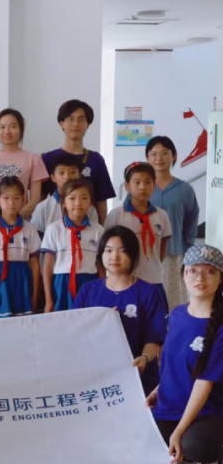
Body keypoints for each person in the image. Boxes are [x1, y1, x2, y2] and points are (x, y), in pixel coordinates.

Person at [140, 244, 223, 464]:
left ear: (220, 279)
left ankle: (212, 455)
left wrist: (178, 431)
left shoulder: (220, 326)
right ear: (184, 275)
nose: (200, 277)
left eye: (210, 271)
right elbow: (172, 364)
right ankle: (184, 448)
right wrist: (158, 391)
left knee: (197, 446)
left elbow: (204, 383)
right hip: (170, 406)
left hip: (206, 410)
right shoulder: (176, 314)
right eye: (193, 270)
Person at [74, 226, 167, 394]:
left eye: (122, 251)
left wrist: (144, 358)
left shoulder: (149, 292)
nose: (114, 257)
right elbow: (75, 330)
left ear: (133, 255)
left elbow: (154, 339)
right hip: (96, 376)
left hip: (138, 377)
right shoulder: (88, 290)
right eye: (108, 250)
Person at [104, 162, 171, 305]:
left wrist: (152, 264)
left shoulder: (162, 215)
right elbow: (106, 248)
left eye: (147, 182)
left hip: (154, 279)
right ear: (127, 185)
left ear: (154, 185)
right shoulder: (116, 215)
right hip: (124, 280)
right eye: (137, 182)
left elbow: (162, 247)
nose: (142, 187)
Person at [147, 135, 200, 308]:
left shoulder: (184, 189)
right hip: (146, 253)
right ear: (147, 158)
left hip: (175, 252)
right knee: (147, 298)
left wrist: (188, 247)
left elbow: (192, 217)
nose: (159, 158)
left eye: (164, 153)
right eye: (153, 154)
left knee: (175, 298)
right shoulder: (142, 187)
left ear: (174, 156)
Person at [42, 100, 115, 223]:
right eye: (71, 119)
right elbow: (41, 196)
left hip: (88, 224)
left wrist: (102, 227)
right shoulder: (48, 159)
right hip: (54, 224)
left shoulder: (96, 159)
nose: (76, 124)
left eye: (81, 119)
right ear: (61, 123)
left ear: (88, 124)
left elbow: (101, 199)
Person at [0, 177, 40, 318]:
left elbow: (35, 265)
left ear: (23, 199)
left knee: (23, 323)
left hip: (22, 279)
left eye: (16, 198)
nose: (11, 203)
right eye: (6, 198)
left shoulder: (30, 228)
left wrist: (35, 294)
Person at [41, 180, 104, 312]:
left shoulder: (98, 230)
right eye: (72, 198)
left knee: (88, 319)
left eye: (84, 198)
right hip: (62, 283)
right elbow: (47, 266)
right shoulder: (54, 229)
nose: (78, 203)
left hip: (90, 281)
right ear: (63, 202)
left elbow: (100, 265)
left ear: (91, 202)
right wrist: (49, 299)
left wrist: (103, 292)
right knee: (62, 321)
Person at [0, 108, 47, 217]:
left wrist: (17, 218)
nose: (7, 131)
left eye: (12, 126)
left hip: (22, 220)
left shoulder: (33, 158)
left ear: (21, 129)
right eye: (2, 127)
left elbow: (35, 199)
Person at [30, 152, 98, 236]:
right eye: (61, 173)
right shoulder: (43, 208)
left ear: (79, 175)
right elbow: (36, 239)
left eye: (72, 172)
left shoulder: (89, 208)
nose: (67, 177)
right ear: (53, 177)